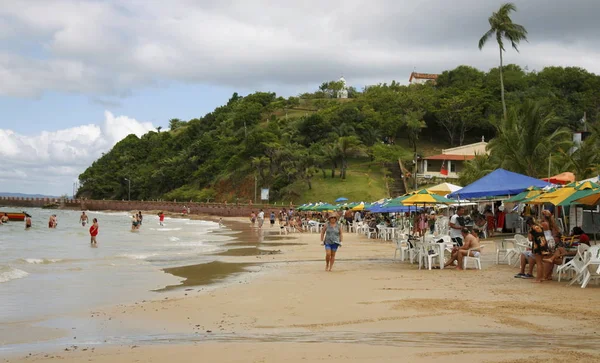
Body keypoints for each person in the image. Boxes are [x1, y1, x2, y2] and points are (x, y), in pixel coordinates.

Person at [527, 217, 550, 283]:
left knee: (538, 262)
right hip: (543, 244)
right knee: (541, 262)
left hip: (537, 245)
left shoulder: (532, 228)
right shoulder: (540, 226)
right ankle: (542, 277)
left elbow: (530, 239)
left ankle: (538, 279)